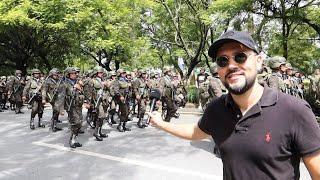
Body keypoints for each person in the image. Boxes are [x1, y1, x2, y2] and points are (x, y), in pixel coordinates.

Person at [148, 30, 320, 179]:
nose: (231, 65)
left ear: (259, 61)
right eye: (223, 61)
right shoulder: (216, 109)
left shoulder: (294, 110)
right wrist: (161, 124)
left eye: (240, 57)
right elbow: (196, 132)